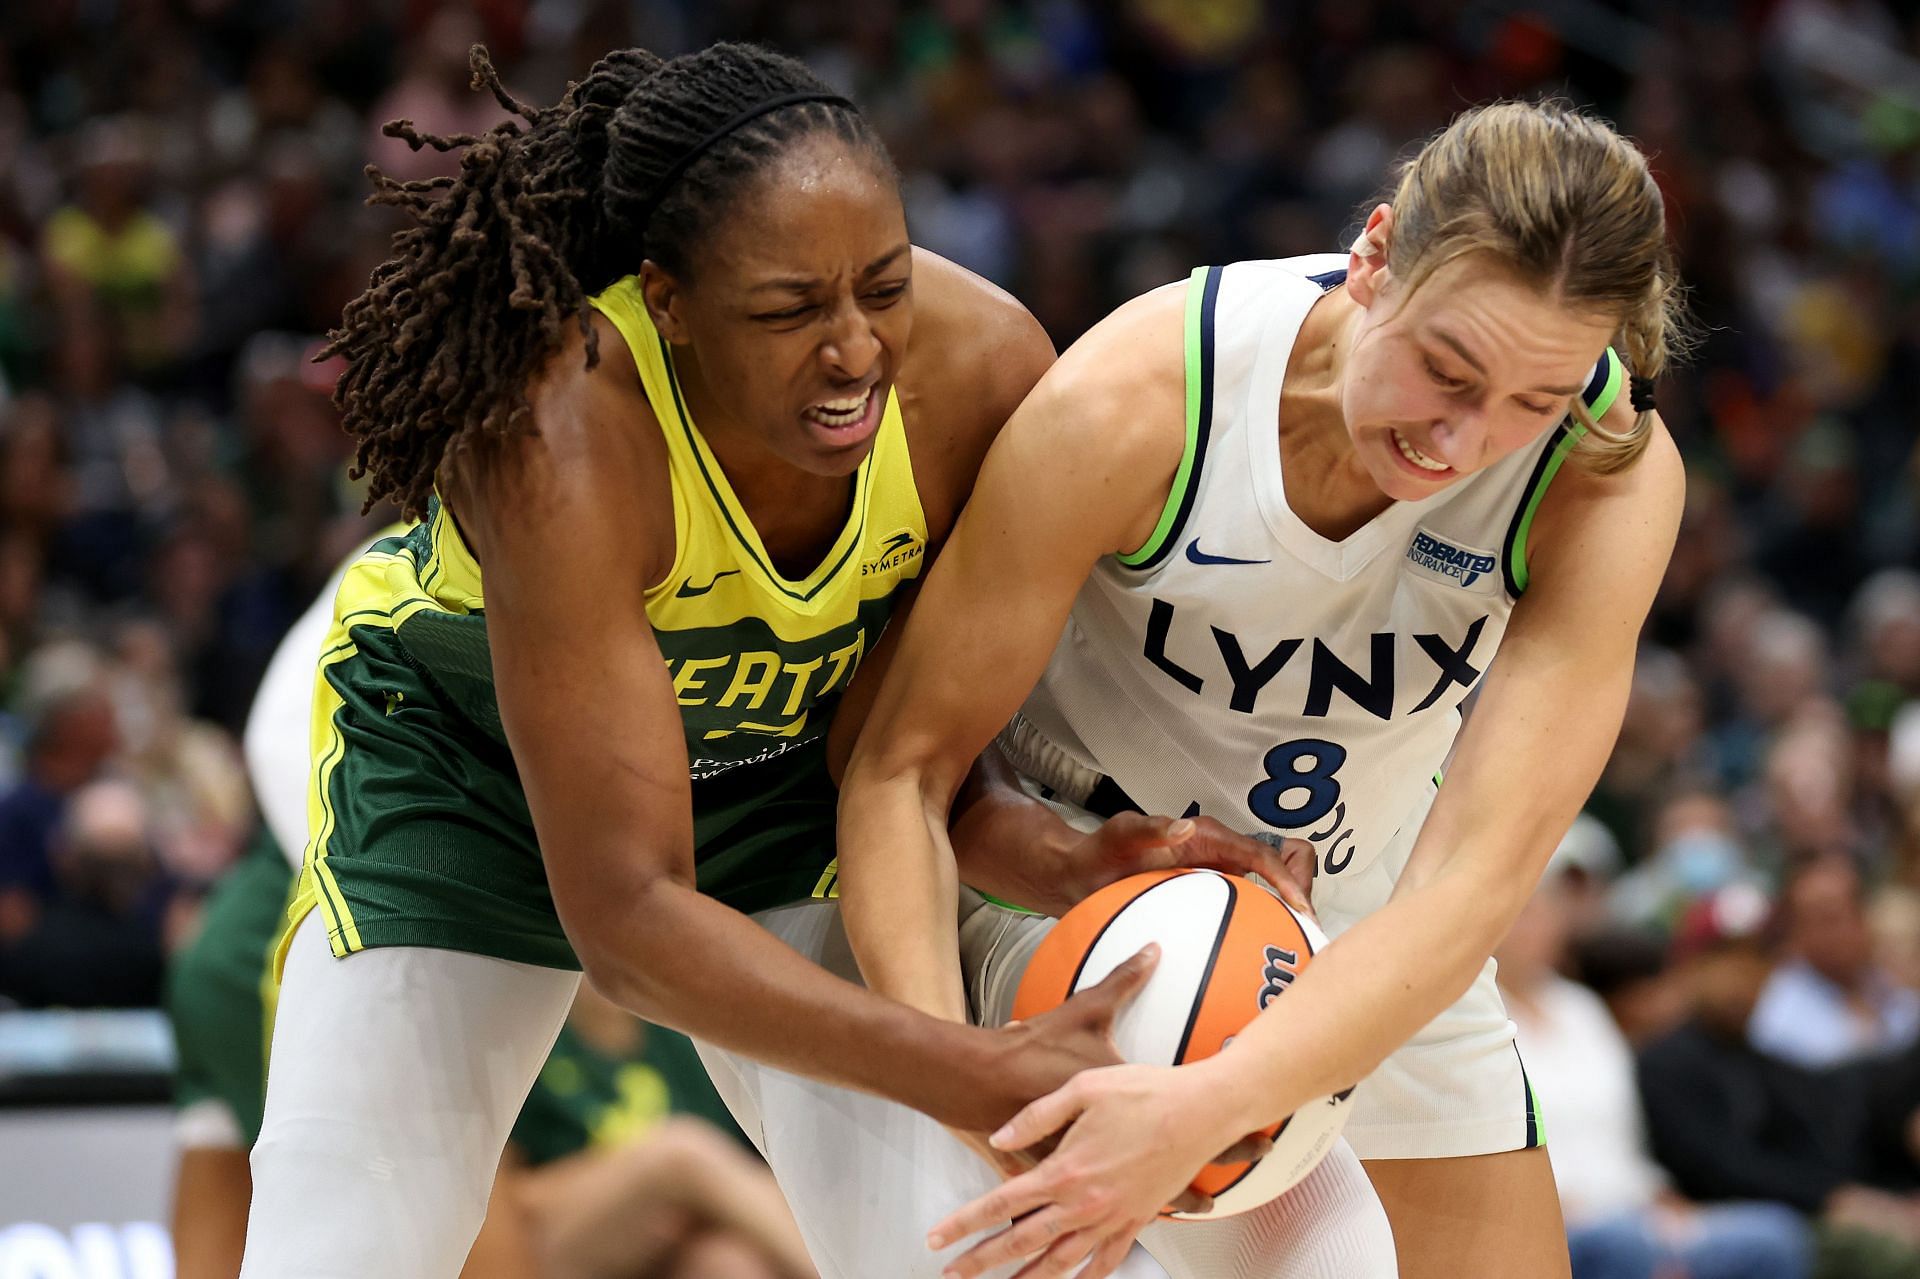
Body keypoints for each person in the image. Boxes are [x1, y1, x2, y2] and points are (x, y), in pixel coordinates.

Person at [240, 41, 1302, 1279]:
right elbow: (632, 923)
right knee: (346, 1246)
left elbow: (903, 758)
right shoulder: (558, 427)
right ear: (669, 301)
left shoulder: (985, 375)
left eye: (885, 285)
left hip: (778, 791)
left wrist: (1066, 855)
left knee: (973, 1250)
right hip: (465, 793)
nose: (855, 350)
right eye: (790, 310)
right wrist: (970, 1061)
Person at [838, 99, 1691, 1279]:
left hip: (1378, 923)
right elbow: (900, 770)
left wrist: (1211, 1107)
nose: (1462, 439)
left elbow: (1475, 881)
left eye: (1531, 402)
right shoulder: (1144, 398)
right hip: (1081, 885)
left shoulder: (1607, 473)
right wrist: (956, 1082)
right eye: (1447, 370)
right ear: (1376, 255)